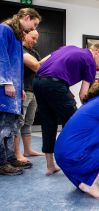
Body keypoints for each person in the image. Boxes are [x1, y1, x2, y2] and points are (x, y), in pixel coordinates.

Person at [33, 43, 99, 176]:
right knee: (76, 124)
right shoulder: (90, 61)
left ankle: (50, 165)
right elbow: (83, 94)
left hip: (38, 82)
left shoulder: (69, 47)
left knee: (48, 123)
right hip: (55, 85)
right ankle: (80, 164)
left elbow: (41, 62)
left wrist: (63, 90)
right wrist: (89, 111)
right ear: (97, 51)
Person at [0, 8, 41, 175]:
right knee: (3, 127)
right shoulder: (5, 29)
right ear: (26, 17)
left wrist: (21, 88)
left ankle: (9, 158)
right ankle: (1, 162)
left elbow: (18, 66)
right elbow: (1, 57)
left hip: (15, 88)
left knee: (12, 126)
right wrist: (7, 82)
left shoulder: (17, 36)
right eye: (34, 25)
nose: (33, 29)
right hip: (5, 88)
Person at [14, 30, 44, 164]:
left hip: (34, 91)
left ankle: (28, 150)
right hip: (23, 90)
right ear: (25, 34)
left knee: (28, 123)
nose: (35, 41)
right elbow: (37, 66)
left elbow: (41, 68)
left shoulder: (34, 52)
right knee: (18, 123)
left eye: (36, 39)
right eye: (33, 38)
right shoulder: (18, 48)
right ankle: (16, 153)